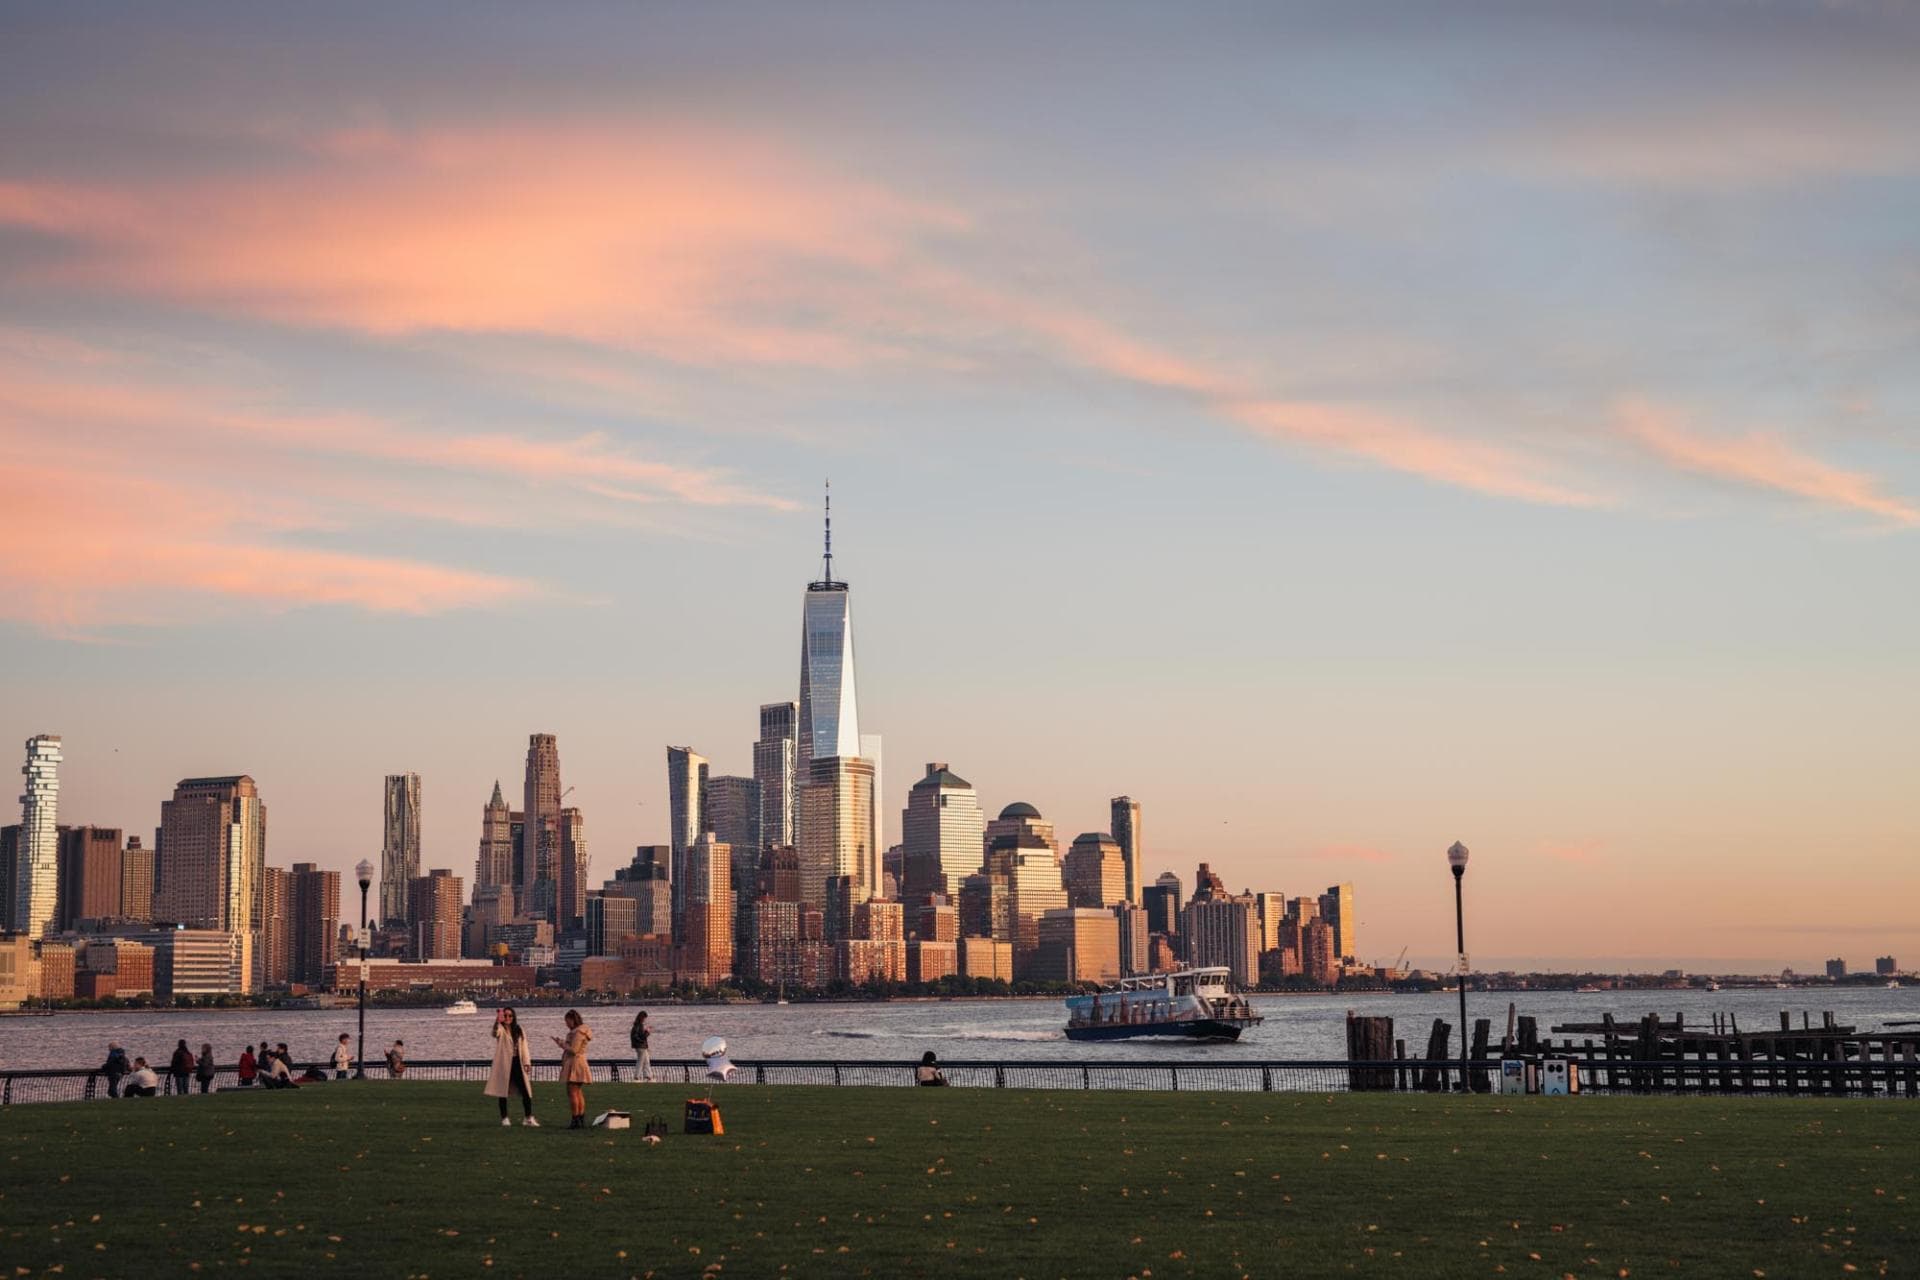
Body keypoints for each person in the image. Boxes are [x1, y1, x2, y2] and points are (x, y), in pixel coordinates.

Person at [485, 1007, 537, 1126]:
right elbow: (494, 1033)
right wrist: (497, 1021)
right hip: (504, 1064)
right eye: (506, 1016)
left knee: (526, 1091)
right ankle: (504, 1118)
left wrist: (527, 1062)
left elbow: (524, 1047)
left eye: (510, 1016)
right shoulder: (501, 1029)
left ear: (514, 1017)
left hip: (517, 1062)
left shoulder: (519, 1030)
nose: (508, 1018)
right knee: (502, 1091)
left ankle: (528, 1117)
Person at [553, 1010, 592, 1129]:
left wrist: (562, 1044)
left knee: (572, 1092)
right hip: (579, 1062)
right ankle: (580, 1118)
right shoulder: (581, 1031)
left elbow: (574, 1050)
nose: (566, 1024)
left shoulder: (578, 1032)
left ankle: (576, 1119)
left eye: (567, 1021)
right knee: (577, 1091)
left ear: (572, 1020)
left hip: (575, 1063)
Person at [629, 1010, 651, 1083]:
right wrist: (647, 1032)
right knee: (642, 1061)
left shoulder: (636, 1025)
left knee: (646, 1060)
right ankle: (637, 1077)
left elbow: (636, 1036)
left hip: (640, 1046)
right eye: (645, 1018)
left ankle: (647, 1076)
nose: (645, 1020)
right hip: (641, 1046)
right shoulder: (639, 1025)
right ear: (642, 1018)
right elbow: (642, 1037)